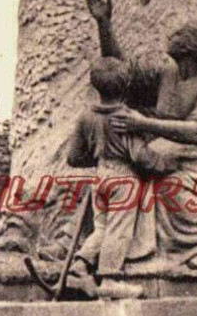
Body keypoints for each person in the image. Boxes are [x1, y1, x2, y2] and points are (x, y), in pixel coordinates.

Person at [87, 0, 197, 269]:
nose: (170, 39)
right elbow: (122, 72)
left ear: (189, 48)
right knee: (135, 173)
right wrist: (104, 24)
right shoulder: (168, 73)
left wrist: (144, 124)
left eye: (177, 36)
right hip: (169, 152)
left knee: (170, 186)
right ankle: (138, 254)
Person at [65, 56, 155, 296]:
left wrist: (97, 154)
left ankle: (80, 264)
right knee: (119, 229)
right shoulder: (127, 117)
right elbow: (141, 158)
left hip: (100, 176)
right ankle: (110, 280)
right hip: (124, 178)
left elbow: (73, 157)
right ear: (126, 85)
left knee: (102, 227)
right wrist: (162, 161)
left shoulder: (86, 117)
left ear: (95, 85)